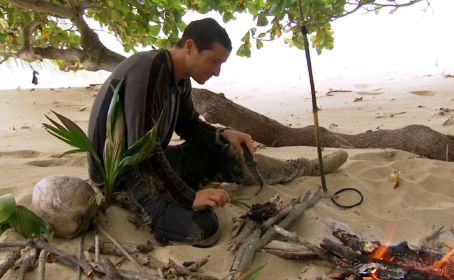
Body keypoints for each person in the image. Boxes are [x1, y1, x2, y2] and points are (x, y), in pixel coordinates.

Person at [88, 18, 348, 247]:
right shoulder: (150, 68)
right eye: (213, 61)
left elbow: (188, 125)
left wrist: (224, 135)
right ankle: (172, 202)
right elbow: (142, 149)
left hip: (153, 162)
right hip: (123, 178)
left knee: (223, 149)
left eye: (221, 64)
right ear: (190, 46)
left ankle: (301, 167)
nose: (216, 71)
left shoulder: (180, 79)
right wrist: (189, 197)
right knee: (205, 228)